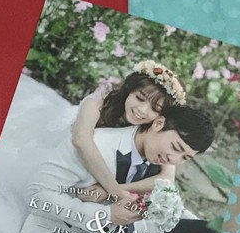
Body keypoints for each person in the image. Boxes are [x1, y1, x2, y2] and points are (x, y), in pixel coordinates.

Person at [11, 105, 215, 233]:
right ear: (158, 124)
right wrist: (106, 214)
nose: (174, 159)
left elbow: (164, 196)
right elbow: (36, 193)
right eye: (176, 148)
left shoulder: (158, 157)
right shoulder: (97, 144)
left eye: (185, 158)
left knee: (213, 231)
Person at [70, 60, 187, 208]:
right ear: (129, 90)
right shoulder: (98, 102)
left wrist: (111, 190)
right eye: (140, 98)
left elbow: (167, 179)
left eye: (155, 108)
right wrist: (116, 191)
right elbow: (81, 141)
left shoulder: (154, 127)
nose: (142, 110)